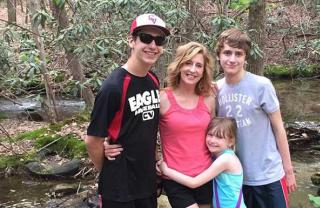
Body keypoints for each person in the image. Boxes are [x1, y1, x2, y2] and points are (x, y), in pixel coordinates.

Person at [104, 41, 216, 208]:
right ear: (179, 65)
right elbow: (139, 126)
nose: (193, 70)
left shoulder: (209, 98)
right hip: (175, 176)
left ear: (203, 71)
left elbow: (215, 133)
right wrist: (108, 142)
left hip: (206, 175)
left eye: (198, 65)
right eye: (188, 63)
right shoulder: (162, 98)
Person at [85, 13, 170, 208]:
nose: (153, 45)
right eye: (146, 38)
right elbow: (92, 139)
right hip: (119, 189)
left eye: (159, 40)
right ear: (131, 41)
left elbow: (146, 128)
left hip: (147, 182)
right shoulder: (113, 86)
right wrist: (108, 169)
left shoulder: (153, 80)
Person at [215, 28, 297, 208]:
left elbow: (278, 128)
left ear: (245, 58)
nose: (232, 59)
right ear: (219, 55)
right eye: (227, 52)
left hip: (269, 175)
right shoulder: (216, 89)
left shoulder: (262, 85)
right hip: (236, 177)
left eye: (239, 54)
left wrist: (288, 170)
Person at [159, 117, 246, 208]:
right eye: (210, 135)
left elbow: (194, 183)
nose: (212, 140)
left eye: (219, 137)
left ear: (231, 141)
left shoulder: (226, 159)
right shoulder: (219, 156)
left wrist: (166, 170)